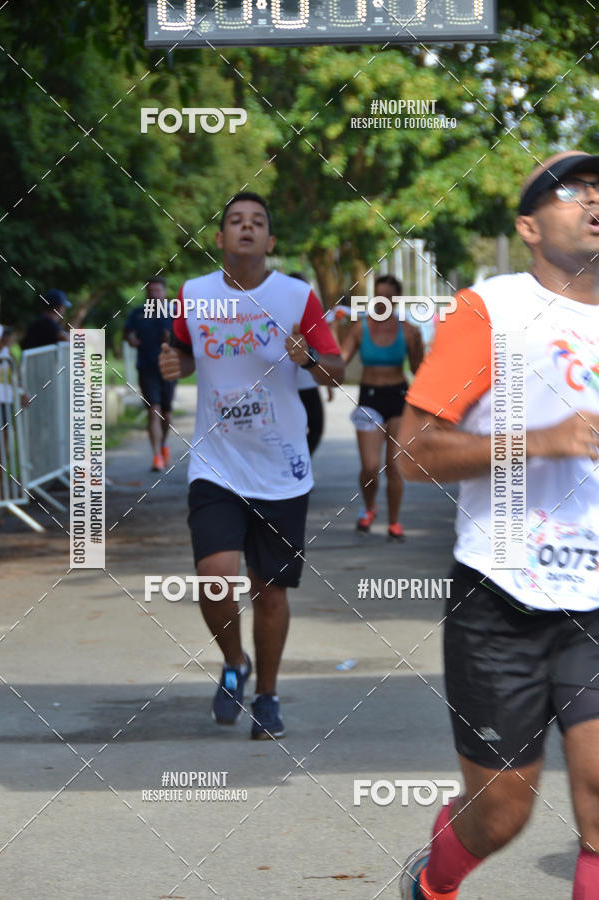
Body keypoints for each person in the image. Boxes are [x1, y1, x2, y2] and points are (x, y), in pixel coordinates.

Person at [398, 151, 599, 899]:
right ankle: (434, 883)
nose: (594, 201)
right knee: (501, 814)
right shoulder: (492, 310)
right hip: (501, 599)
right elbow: (412, 455)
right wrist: (539, 440)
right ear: (529, 226)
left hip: (597, 601)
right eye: (575, 191)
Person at [159, 192, 344, 739]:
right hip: (216, 463)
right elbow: (186, 353)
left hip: (281, 469)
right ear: (219, 239)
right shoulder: (192, 295)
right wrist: (177, 362)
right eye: (235, 221)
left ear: (270, 241)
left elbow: (334, 371)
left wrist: (308, 357)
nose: (246, 228)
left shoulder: (296, 297)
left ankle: (267, 694)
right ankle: (233, 663)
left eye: (257, 222)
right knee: (215, 580)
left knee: (269, 591)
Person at [341, 274, 423, 540]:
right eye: (378, 296)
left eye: (388, 297)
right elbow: (339, 360)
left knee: (395, 466)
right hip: (370, 398)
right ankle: (369, 507)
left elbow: (420, 370)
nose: (382, 302)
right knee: (370, 466)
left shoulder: (408, 330)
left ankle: (394, 522)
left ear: (396, 300)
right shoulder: (359, 328)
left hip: (399, 398)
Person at [124, 277, 176, 472]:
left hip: (169, 367)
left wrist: (172, 340)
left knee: (166, 413)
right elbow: (127, 333)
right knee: (152, 409)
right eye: (150, 291)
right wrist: (131, 339)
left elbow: (186, 338)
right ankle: (156, 456)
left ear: (164, 292)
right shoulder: (138, 313)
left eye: (157, 291)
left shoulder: (174, 312)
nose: (154, 294)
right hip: (146, 367)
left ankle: (164, 444)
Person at [289, 272, 332, 455]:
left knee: (315, 427)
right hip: (292, 384)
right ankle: (296, 462)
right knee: (308, 428)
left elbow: (322, 349)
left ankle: (298, 462)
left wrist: (328, 383)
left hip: (308, 381)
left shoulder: (311, 314)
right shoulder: (283, 313)